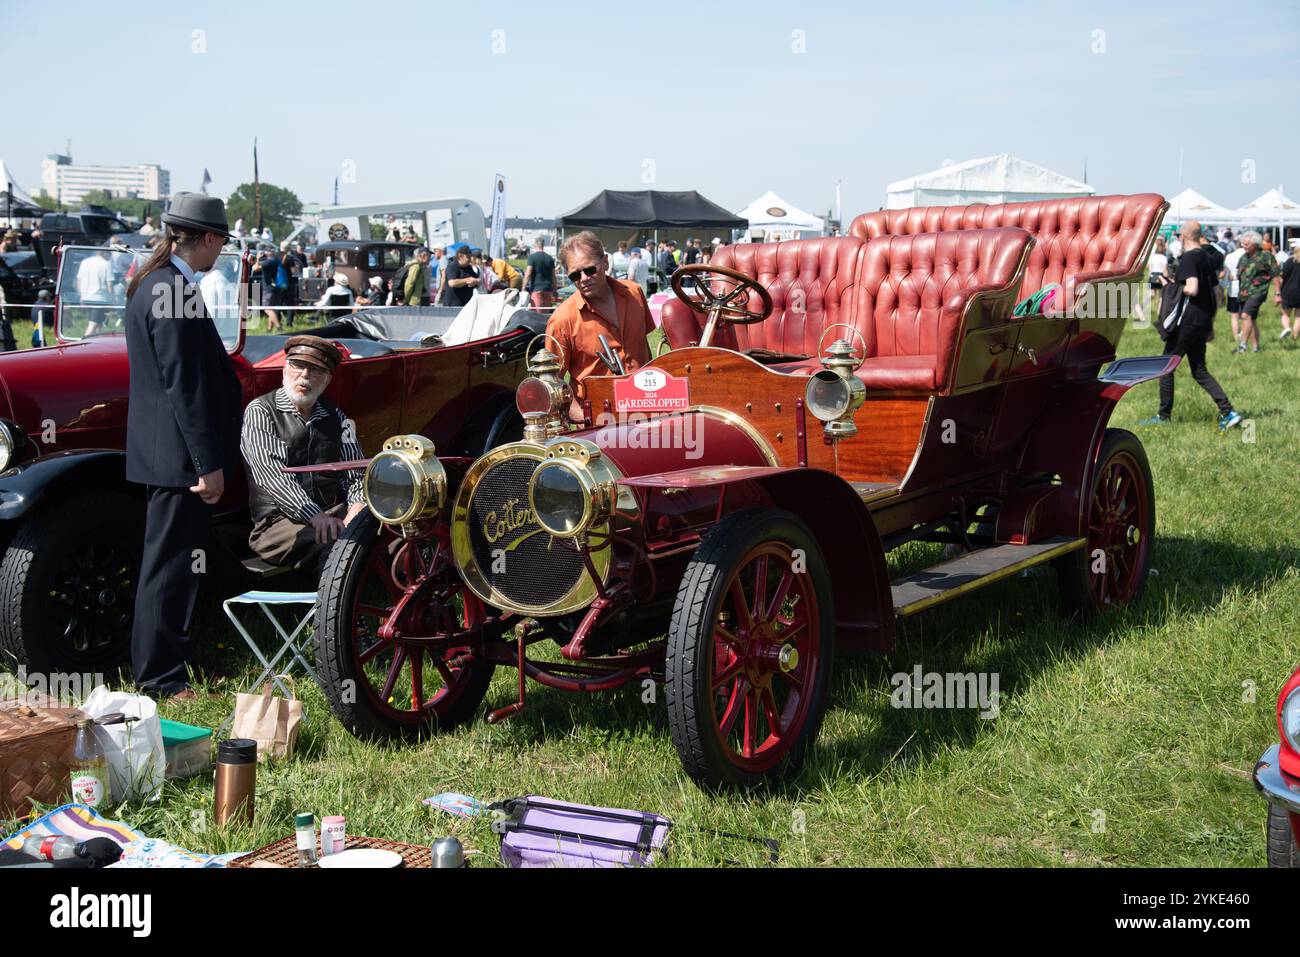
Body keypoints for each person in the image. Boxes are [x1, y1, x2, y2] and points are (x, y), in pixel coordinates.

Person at [124, 192, 243, 700]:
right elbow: (183, 387)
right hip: (178, 459)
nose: (220, 252)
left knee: (173, 563)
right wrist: (207, 462)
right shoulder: (169, 289)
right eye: (220, 242)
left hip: (169, 456)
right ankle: (160, 678)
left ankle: (168, 665)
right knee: (169, 569)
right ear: (209, 238)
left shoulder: (156, 283)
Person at [240, 336, 367, 573]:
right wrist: (316, 517)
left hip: (334, 511)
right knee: (340, 544)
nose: (305, 376)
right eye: (298, 366)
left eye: (316, 370)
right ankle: (335, 607)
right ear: (285, 369)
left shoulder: (337, 417)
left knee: (390, 529)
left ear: (328, 380)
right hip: (277, 524)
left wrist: (356, 509)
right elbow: (273, 477)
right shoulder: (261, 412)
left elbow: (356, 472)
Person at [1140, 221, 1241, 431]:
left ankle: (1163, 415)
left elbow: (1192, 288)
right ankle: (1228, 411)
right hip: (1203, 319)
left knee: (1165, 367)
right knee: (1199, 370)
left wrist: (1172, 286)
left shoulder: (1189, 258)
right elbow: (1217, 293)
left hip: (1187, 321)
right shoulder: (1207, 256)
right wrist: (1210, 323)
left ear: (1183, 236)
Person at [544, 231, 652, 421]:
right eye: (575, 275)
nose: (584, 278)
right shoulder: (561, 320)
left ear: (606, 262)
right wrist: (583, 418)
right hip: (598, 423)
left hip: (646, 411)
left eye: (590, 270)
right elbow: (552, 381)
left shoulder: (635, 293)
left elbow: (644, 346)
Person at [1235, 231, 1280, 352]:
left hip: (1258, 291)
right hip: (1244, 293)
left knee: (1246, 316)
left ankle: (1242, 346)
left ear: (1255, 244)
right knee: (1251, 319)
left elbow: (1275, 275)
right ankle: (1256, 348)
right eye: (1243, 244)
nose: (1244, 246)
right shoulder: (1243, 257)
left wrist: (1277, 293)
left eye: (1247, 244)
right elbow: (1239, 275)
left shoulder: (1266, 256)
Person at [76, 246, 115, 336]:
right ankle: (83, 341)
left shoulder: (85, 262)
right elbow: (109, 284)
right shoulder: (106, 263)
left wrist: (81, 296)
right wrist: (112, 300)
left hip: (86, 297)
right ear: (105, 253)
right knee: (93, 323)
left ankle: (97, 342)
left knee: (98, 323)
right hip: (99, 298)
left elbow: (79, 281)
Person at [1223, 237, 1246, 348]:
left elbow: (1227, 274)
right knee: (1245, 314)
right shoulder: (1248, 255)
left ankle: (1236, 336)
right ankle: (1243, 335)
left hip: (1233, 287)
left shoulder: (1229, 256)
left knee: (1234, 315)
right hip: (1246, 287)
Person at [522, 236, 556, 308]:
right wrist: (555, 290)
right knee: (546, 314)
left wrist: (523, 288)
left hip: (536, 289)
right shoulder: (550, 258)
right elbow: (553, 276)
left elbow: (528, 274)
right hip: (548, 289)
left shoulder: (532, 257)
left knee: (536, 315)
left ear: (535, 245)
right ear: (543, 245)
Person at [1279, 246, 1300, 341]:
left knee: (1285, 314)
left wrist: (1278, 292)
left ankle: (1287, 328)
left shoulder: (1289, 261)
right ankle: (1295, 338)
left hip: (1288, 291)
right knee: (1298, 317)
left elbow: (1282, 277)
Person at [1147, 237, 1169, 321]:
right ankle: (1159, 313)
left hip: (1152, 276)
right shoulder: (1164, 258)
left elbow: (1149, 267)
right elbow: (1165, 270)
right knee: (1161, 296)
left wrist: (1150, 276)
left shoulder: (1153, 257)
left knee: (1151, 294)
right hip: (1161, 277)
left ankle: (1143, 307)